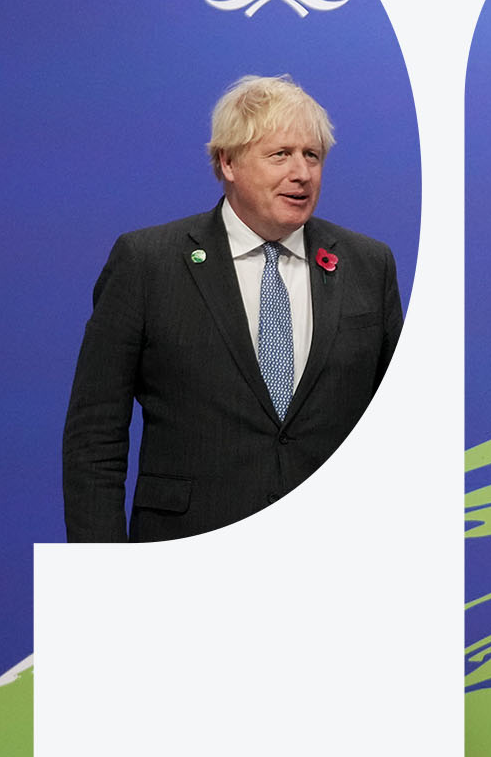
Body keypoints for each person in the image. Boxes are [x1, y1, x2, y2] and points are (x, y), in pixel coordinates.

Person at [63, 74, 402, 543]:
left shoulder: (368, 264)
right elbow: (94, 438)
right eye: (280, 154)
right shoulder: (148, 263)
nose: (301, 173)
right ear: (228, 162)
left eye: (312, 155)